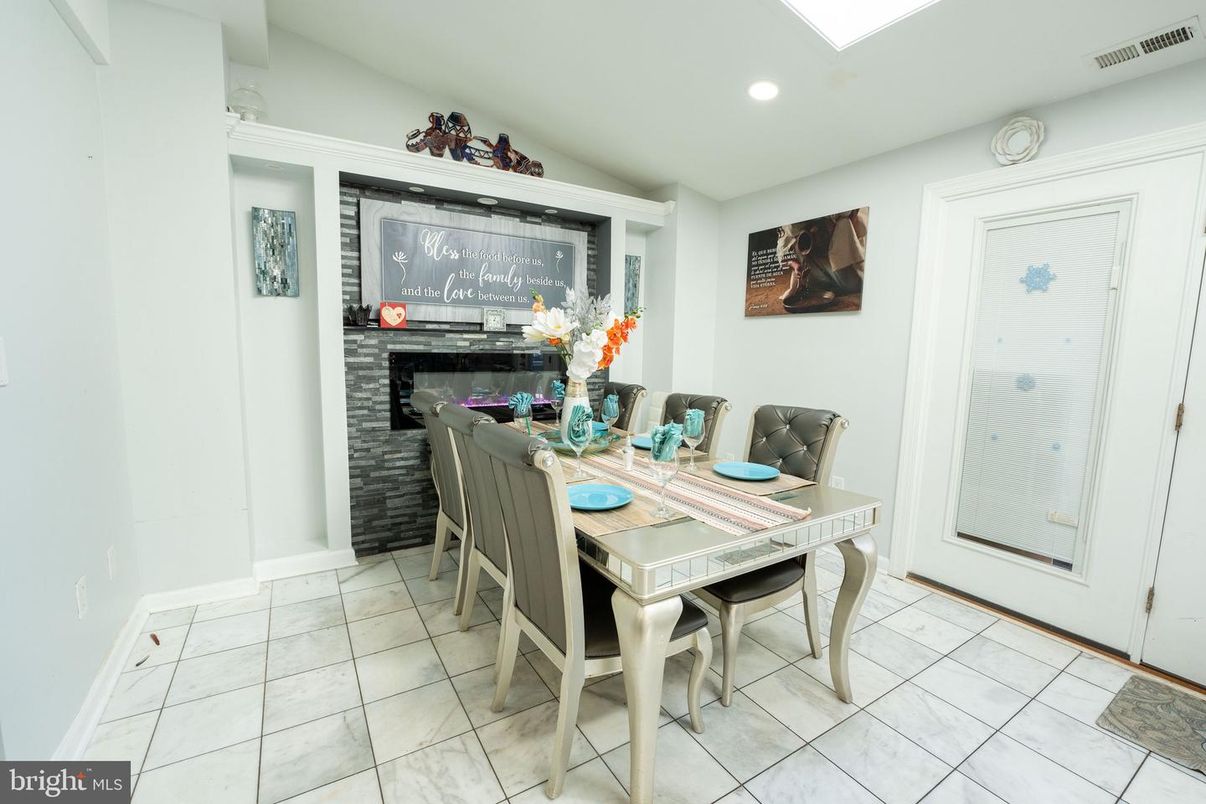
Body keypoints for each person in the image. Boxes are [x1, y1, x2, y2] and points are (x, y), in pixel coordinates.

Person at [778, 208, 867, 311]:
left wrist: (827, 229)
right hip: (813, 254)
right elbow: (783, 248)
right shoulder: (790, 225)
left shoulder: (834, 212)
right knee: (813, 285)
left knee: (851, 286)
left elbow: (851, 213)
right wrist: (795, 265)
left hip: (834, 242)